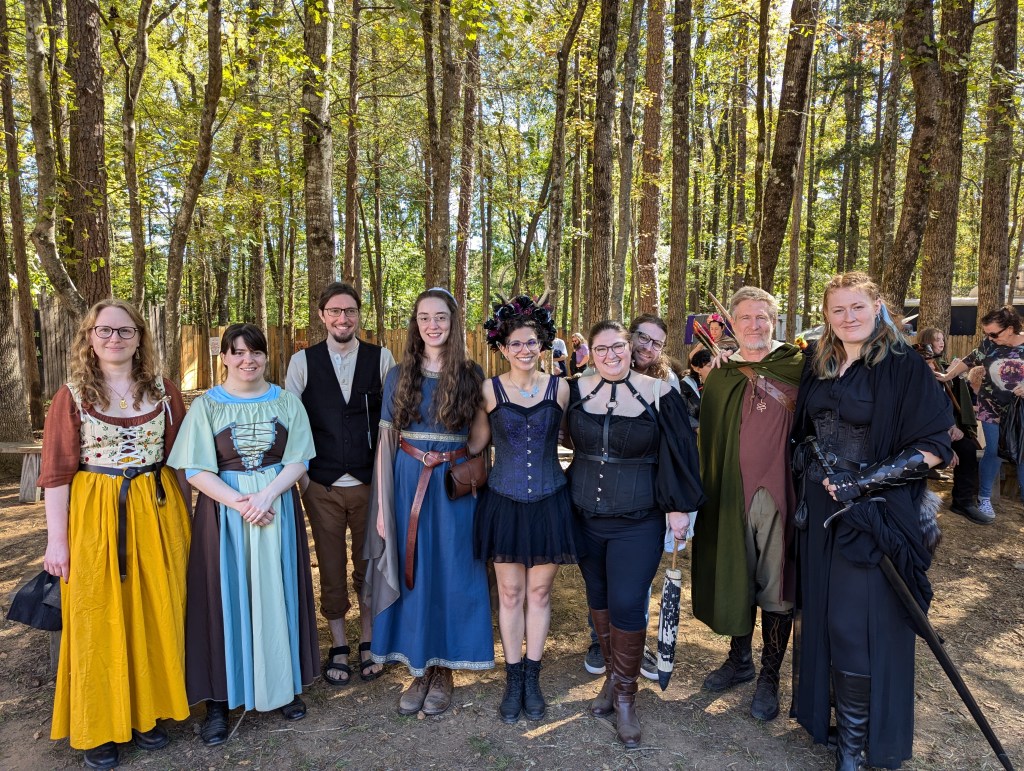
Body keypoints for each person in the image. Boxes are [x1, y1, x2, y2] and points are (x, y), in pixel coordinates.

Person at [792, 272, 952, 769]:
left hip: (875, 514)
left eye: (857, 307)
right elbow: (802, 432)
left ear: (878, 306)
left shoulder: (904, 365)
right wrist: (807, 461)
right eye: (837, 310)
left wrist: (863, 482)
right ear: (826, 315)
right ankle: (835, 720)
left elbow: (933, 449)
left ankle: (855, 746)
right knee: (822, 616)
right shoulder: (820, 362)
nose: (848, 318)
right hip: (821, 512)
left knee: (854, 626)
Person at [39, 299, 191, 770]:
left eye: (125, 331)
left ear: (140, 337)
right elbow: (58, 473)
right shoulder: (71, 394)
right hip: (96, 515)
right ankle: (99, 726)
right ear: (90, 337)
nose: (115, 339)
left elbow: (183, 461)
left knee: (153, 609)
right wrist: (56, 541)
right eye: (104, 331)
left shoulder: (164, 392)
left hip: (158, 510)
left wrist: (190, 524)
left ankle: (148, 714)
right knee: (97, 616)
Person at [169, 323, 319, 746]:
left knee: (277, 592)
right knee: (224, 599)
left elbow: (299, 458)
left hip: (275, 511)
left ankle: (283, 684)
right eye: (237, 353)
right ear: (224, 358)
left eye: (254, 352)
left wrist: (267, 495)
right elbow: (195, 468)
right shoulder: (208, 406)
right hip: (225, 518)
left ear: (266, 356)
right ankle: (220, 698)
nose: (246, 360)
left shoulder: (286, 402)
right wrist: (241, 504)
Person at [567, 320, 704, 748]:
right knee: (599, 601)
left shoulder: (661, 392)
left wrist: (679, 508)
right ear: (590, 351)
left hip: (639, 519)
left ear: (631, 348)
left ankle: (626, 696)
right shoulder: (572, 389)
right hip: (584, 515)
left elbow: (681, 453)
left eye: (619, 347)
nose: (612, 355)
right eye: (602, 348)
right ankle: (611, 678)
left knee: (627, 603)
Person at [364, 288, 493, 716]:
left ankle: (444, 670)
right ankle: (419, 667)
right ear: (415, 324)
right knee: (414, 570)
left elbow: (479, 437)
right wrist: (384, 506)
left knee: (452, 569)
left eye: (441, 318)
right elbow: (386, 442)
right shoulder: (398, 374)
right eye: (424, 318)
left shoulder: (472, 373)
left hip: (452, 486)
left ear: (453, 323)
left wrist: (455, 462)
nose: (432, 325)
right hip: (405, 481)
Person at [691, 286, 803, 722]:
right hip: (729, 493)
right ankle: (740, 660)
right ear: (732, 324)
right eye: (745, 319)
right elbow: (711, 439)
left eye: (762, 317)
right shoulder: (720, 375)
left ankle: (770, 677)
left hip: (781, 493)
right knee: (736, 573)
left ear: (775, 320)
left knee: (776, 586)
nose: (754, 326)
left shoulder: (801, 366)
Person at [286, 282, 396, 685]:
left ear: (358, 315)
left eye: (349, 311)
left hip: (369, 481)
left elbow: (393, 421)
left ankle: (368, 639)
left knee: (367, 564)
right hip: (322, 484)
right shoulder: (303, 362)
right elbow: (292, 425)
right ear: (322, 316)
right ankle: (338, 644)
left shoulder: (381, 357)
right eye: (334, 311)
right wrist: (303, 481)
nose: (342, 318)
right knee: (330, 566)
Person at [476, 294, 577, 723]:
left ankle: (532, 677)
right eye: (515, 343)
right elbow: (477, 444)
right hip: (504, 501)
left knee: (539, 592)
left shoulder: (562, 388)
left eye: (530, 342)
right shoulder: (489, 389)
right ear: (502, 347)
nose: (523, 349)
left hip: (550, 501)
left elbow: (577, 438)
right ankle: (512, 676)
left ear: (542, 344)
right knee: (511, 593)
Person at [582, 313, 681, 680]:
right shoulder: (582, 388)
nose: (647, 347)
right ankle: (603, 645)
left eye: (656, 343)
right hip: (593, 508)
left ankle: (628, 662)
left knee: (630, 588)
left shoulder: (664, 385)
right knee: (601, 586)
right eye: (642, 338)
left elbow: (678, 452)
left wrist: (677, 507)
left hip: (641, 508)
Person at [935, 305, 1024, 520]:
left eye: (994, 333)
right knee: (992, 451)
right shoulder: (989, 344)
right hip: (991, 407)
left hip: (1020, 410)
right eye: (987, 334)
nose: (990, 338)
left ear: (1010, 329)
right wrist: (947, 376)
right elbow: (969, 360)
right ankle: (984, 498)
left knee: (1023, 454)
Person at [917, 327, 986, 524]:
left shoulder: (946, 369)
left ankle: (963, 501)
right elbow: (920, 414)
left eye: (942, 339)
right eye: (936, 339)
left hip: (943, 428)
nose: (941, 342)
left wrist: (952, 427)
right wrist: (942, 441)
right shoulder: (913, 376)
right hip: (920, 435)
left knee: (967, 448)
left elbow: (945, 407)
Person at [680, 348, 714, 431]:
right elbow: (682, 413)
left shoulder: (721, 383)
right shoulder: (685, 386)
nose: (714, 368)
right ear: (697, 369)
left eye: (716, 364)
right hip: (695, 435)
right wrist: (698, 429)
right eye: (710, 365)